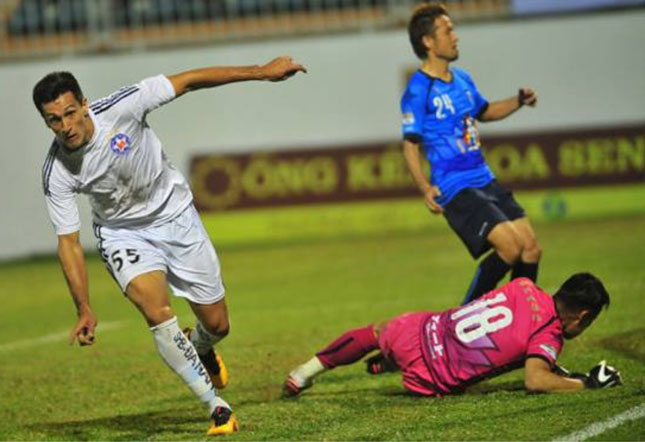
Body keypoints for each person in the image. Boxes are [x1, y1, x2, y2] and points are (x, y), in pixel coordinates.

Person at [34, 56, 306, 436]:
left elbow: (191, 80)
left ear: (83, 103)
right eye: (53, 120)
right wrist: (84, 307)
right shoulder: (57, 170)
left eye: (69, 113)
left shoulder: (124, 106)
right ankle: (217, 407)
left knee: (217, 323)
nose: (64, 127)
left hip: (176, 216)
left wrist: (261, 72)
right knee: (156, 311)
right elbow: (69, 243)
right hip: (122, 233)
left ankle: (203, 347)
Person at [400, 3, 541, 304]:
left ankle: (523, 322)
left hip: (484, 179)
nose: (456, 37)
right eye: (448, 30)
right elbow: (410, 143)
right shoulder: (418, 89)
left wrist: (518, 101)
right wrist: (425, 187)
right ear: (428, 42)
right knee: (510, 248)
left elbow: (485, 111)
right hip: (455, 186)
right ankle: (461, 320)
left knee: (530, 248)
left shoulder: (462, 79)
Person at [284, 273, 622, 398]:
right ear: (582, 316)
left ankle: (302, 374)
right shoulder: (548, 336)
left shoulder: (524, 286)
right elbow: (535, 380)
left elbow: (506, 327)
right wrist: (585, 383)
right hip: (429, 376)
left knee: (373, 332)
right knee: (435, 362)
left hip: (423, 329)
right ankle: (390, 364)